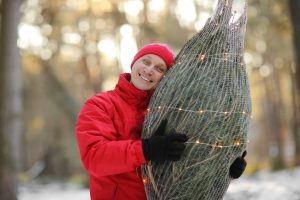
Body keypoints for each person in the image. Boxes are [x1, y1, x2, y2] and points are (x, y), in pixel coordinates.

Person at [75, 43, 247, 200]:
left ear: (166, 78)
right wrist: (147, 149)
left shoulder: (172, 112)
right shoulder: (100, 105)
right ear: (134, 63)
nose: (149, 70)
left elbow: (189, 163)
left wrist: (225, 171)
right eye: (146, 61)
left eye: (159, 68)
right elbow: (94, 157)